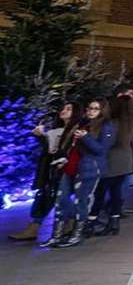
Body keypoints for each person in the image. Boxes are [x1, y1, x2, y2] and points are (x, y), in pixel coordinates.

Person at [45, 97, 113, 249]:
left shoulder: (106, 126)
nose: (91, 111)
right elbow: (68, 144)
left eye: (95, 108)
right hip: (70, 166)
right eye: (89, 108)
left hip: (88, 169)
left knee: (81, 201)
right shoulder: (81, 123)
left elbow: (101, 150)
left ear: (102, 110)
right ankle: (56, 235)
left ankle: (77, 234)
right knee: (61, 199)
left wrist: (86, 137)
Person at [9, 101, 70, 242]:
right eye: (63, 108)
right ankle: (35, 227)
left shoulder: (73, 130)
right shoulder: (57, 129)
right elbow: (50, 150)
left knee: (57, 198)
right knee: (44, 196)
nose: (64, 111)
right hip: (50, 169)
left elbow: (55, 150)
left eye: (69, 109)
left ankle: (66, 225)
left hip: (63, 169)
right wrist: (41, 137)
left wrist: (43, 137)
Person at [90, 94, 133, 235]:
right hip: (126, 158)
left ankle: (92, 220)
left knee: (101, 190)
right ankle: (114, 221)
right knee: (116, 191)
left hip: (112, 158)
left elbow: (108, 142)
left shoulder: (113, 123)